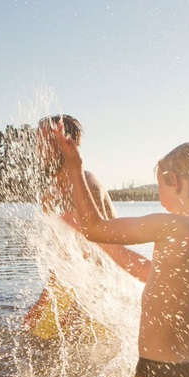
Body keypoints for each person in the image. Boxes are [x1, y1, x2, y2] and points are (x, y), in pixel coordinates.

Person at [52, 124, 189, 377]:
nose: (160, 197)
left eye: (160, 186)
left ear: (174, 180)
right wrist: (95, 237)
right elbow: (149, 272)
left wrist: (75, 167)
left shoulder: (172, 226)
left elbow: (94, 226)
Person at [22, 115, 116, 345]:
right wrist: (44, 300)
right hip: (71, 285)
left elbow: (99, 257)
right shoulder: (50, 196)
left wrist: (75, 307)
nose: (39, 150)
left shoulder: (87, 186)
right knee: (31, 335)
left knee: (52, 342)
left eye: (47, 142)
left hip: (100, 290)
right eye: (38, 143)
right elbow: (63, 256)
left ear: (68, 144)